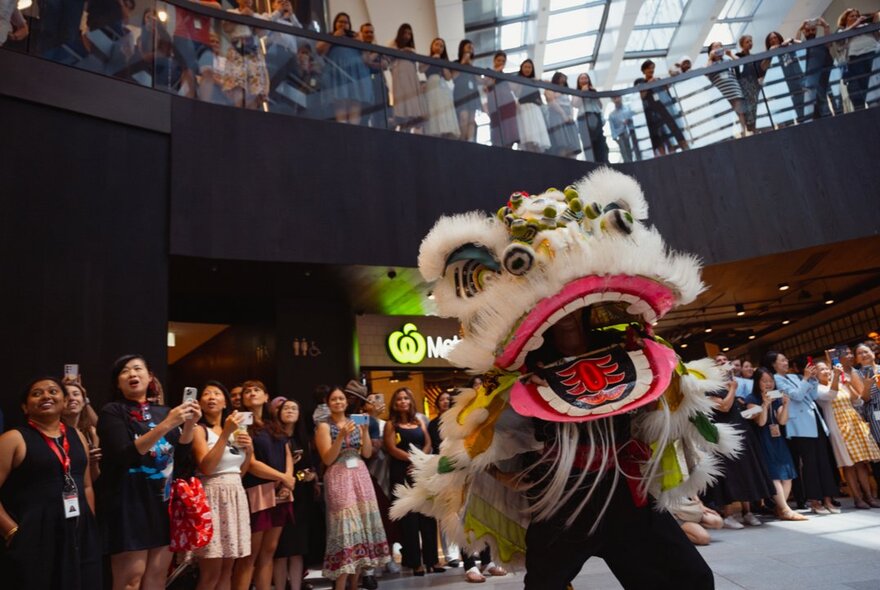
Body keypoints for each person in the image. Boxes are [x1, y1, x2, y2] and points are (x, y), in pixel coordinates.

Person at [96, 354, 201, 589]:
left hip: (162, 505)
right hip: (127, 505)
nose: (132, 374)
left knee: (156, 578)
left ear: (150, 376)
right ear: (117, 382)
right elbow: (124, 455)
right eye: (125, 371)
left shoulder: (164, 411)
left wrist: (190, 424)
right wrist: (168, 424)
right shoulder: (112, 411)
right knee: (130, 580)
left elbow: (181, 458)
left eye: (138, 369)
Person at [0, 377, 102, 588]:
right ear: (25, 407)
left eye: (53, 391)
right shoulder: (14, 438)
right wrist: (11, 531)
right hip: (35, 537)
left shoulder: (77, 436)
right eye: (37, 393)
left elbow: (86, 485)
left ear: (64, 401)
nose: (46, 396)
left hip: (79, 534)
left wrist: (88, 522)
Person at [316, 387, 390, 590]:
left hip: (360, 473)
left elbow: (366, 453)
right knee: (346, 529)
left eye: (341, 398)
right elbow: (327, 458)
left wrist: (365, 432)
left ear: (346, 402)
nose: (338, 402)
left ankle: (354, 585)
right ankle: (339, 586)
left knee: (363, 529)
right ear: (328, 403)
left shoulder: (355, 422)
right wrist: (340, 437)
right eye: (334, 399)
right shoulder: (324, 426)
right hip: (338, 475)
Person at [233, 381, 294, 590]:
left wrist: (288, 480)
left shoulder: (273, 424)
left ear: (267, 396)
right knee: (250, 554)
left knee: (270, 551)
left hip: (280, 492)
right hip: (256, 490)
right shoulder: (240, 425)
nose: (251, 394)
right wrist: (283, 477)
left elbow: (287, 453)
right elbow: (249, 463)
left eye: (256, 390)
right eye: (247, 391)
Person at [192, 381, 253, 590]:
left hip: (235, 495)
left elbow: (241, 472)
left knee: (228, 568)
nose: (211, 397)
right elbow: (207, 467)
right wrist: (225, 433)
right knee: (211, 572)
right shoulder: (199, 430)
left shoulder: (237, 431)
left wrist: (250, 450)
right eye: (206, 394)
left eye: (216, 393)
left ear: (225, 402)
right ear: (199, 402)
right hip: (212, 496)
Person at [764, 351, 838, 515]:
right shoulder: (776, 380)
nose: (785, 362)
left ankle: (827, 498)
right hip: (799, 425)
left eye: (786, 359)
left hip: (814, 420)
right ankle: (814, 500)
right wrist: (805, 379)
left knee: (823, 461)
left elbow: (811, 395)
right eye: (782, 360)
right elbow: (796, 396)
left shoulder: (794, 377)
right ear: (773, 364)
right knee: (809, 463)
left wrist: (812, 379)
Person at [702, 374, 774, 529]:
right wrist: (733, 389)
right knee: (729, 477)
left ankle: (747, 512)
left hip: (743, 435)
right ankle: (728, 515)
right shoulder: (707, 392)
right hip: (724, 439)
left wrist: (759, 408)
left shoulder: (735, 394)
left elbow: (742, 413)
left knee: (746, 474)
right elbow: (724, 406)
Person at [384, 387, 441, 576]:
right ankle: (415, 562)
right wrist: (412, 459)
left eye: (406, 398)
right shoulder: (391, 424)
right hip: (402, 470)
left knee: (428, 516)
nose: (402, 401)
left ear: (410, 401)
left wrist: (419, 461)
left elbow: (428, 443)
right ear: (394, 403)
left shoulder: (419, 420)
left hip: (421, 470)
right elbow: (391, 448)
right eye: (399, 398)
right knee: (409, 520)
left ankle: (433, 560)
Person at [815, 360, 880, 509]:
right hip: (839, 427)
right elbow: (830, 395)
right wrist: (837, 378)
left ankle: (869, 497)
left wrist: (849, 383)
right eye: (821, 370)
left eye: (827, 368)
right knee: (848, 464)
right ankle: (857, 499)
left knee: (861, 463)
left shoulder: (840, 383)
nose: (826, 371)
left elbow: (857, 401)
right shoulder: (817, 388)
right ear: (815, 374)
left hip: (853, 423)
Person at [743, 367, 807, 521]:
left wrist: (785, 405)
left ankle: (781, 508)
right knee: (775, 476)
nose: (768, 384)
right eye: (764, 381)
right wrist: (764, 404)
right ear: (757, 382)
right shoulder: (751, 399)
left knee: (788, 476)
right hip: (763, 440)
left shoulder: (777, 397)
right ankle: (786, 510)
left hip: (778, 440)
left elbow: (782, 421)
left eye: (770, 381)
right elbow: (761, 422)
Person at [271, 398, 319, 590]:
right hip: (279, 495)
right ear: (278, 413)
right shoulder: (273, 437)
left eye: (294, 408)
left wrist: (310, 476)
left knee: (298, 549)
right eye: (286, 408)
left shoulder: (304, 439)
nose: (290, 411)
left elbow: (312, 467)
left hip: (301, 497)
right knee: (281, 550)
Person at [317, 12, 373, 124]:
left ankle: (354, 132)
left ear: (349, 25)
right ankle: (343, 134)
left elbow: (366, 59)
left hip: (356, 73)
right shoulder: (330, 35)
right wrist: (334, 37)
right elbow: (319, 50)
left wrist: (361, 42)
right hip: (337, 72)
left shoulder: (355, 37)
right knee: (340, 103)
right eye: (340, 22)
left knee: (355, 103)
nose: (343, 24)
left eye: (346, 22)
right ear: (335, 24)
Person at [222, 0, 271, 110]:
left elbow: (262, 34)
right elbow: (226, 28)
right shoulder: (231, 12)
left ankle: (251, 116)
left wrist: (252, 16)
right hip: (236, 51)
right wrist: (241, 15)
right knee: (237, 85)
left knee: (255, 88)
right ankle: (238, 115)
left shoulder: (257, 16)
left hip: (253, 53)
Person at [634, 59, 688, 156]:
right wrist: (649, 84)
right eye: (649, 68)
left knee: (675, 130)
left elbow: (667, 88)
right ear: (644, 70)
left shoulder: (658, 80)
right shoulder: (642, 82)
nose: (651, 70)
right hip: (653, 115)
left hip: (665, 110)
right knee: (662, 138)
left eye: (652, 68)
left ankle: (685, 149)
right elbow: (642, 96)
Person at [837, 8, 880, 110]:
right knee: (864, 82)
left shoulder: (866, 26)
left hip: (873, 53)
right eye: (852, 16)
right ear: (845, 19)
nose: (855, 17)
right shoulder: (842, 30)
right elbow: (839, 40)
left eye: (857, 16)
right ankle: (873, 104)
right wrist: (855, 24)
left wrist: (874, 19)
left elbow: (877, 36)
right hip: (856, 58)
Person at [388, 24, 426, 133]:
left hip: (411, 76)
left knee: (412, 103)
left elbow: (416, 66)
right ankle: (403, 130)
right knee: (403, 101)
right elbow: (389, 59)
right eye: (405, 33)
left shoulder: (412, 48)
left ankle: (409, 130)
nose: (407, 36)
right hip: (400, 74)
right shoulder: (393, 44)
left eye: (409, 34)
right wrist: (403, 51)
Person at [706, 41, 749, 136]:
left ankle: (743, 133)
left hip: (734, 90)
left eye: (720, 46)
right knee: (725, 115)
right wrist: (710, 57)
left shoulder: (727, 60)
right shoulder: (710, 63)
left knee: (740, 112)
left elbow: (739, 63)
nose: (718, 48)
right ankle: (729, 135)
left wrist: (730, 54)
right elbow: (707, 72)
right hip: (721, 94)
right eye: (715, 47)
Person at [62, 380, 102, 482]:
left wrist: (93, 463)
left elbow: (94, 477)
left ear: (84, 401)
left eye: (76, 394)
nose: (71, 398)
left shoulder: (91, 433)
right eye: (66, 395)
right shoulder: (53, 433)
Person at [420, 37, 460, 138]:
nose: (439, 47)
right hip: (431, 84)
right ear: (432, 46)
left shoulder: (445, 62)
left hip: (443, 86)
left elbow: (448, 77)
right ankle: (435, 131)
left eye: (441, 46)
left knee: (444, 108)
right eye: (437, 44)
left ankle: (447, 129)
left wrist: (441, 63)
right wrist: (433, 59)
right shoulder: (426, 59)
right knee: (433, 106)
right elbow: (421, 69)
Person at [798, 17, 834, 119]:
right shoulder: (802, 45)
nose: (810, 32)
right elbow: (795, 46)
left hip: (827, 72)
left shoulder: (821, 41)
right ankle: (827, 118)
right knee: (821, 98)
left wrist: (825, 25)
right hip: (814, 76)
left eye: (813, 30)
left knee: (833, 96)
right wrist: (800, 29)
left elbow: (829, 43)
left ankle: (838, 115)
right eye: (808, 30)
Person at [765, 31, 805, 122]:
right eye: (770, 39)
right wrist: (769, 54)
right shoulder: (770, 54)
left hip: (796, 80)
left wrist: (791, 40)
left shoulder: (788, 46)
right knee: (787, 111)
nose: (773, 40)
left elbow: (802, 44)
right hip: (782, 85)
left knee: (801, 105)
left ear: (779, 37)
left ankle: (802, 120)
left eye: (775, 37)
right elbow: (763, 67)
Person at [855, 341, 880, 485]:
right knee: (878, 454)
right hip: (874, 413)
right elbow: (863, 398)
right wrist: (867, 386)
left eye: (866, 351)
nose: (864, 355)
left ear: (873, 352)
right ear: (856, 359)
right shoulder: (857, 374)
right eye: (860, 353)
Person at [484, 51, 519, 148]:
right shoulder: (489, 71)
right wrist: (496, 72)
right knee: (497, 126)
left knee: (509, 128)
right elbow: (487, 85)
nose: (501, 62)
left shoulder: (506, 75)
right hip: (495, 101)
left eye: (503, 61)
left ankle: (509, 149)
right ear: (494, 60)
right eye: (499, 60)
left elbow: (513, 88)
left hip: (507, 101)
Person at [514, 59, 550, 153]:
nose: (527, 69)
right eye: (525, 67)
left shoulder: (535, 81)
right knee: (528, 138)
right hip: (524, 109)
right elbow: (516, 94)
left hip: (535, 109)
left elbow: (547, 85)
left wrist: (538, 81)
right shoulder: (517, 80)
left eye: (529, 67)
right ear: (521, 68)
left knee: (537, 138)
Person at [544, 72, 581, 158]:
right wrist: (563, 114)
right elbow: (551, 102)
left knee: (572, 144)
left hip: (569, 119)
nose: (563, 80)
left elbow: (570, 105)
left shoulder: (566, 91)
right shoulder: (550, 89)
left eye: (564, 78)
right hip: (557, 117)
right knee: (561, 143)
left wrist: (571, 116)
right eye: (561, 78)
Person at [735, 35, 767, 133]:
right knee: (749, 108)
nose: (750, 43)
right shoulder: (738, 56)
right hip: (745, 86)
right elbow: (737, 72)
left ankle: (756, 128)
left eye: (751, 41)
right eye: (747, 42)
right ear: (742, 45)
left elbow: (760, 72)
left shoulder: (754, 57)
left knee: (756, 107)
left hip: (754, 86)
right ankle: (751, 128)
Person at [573, 73, 608, 162]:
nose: (584, 80)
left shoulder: (593, 90)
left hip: (595, 117)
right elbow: (575, 104)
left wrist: (595, 94)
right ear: (578, 81)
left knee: (599, 143)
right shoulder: (576, 92)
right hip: (583, 118)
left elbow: (600, 106)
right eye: (582, 78)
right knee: (588, 144)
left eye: (586, 78)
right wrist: (582, 92)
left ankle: (602, 163)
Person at [453, 39, 481, 142]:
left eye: (472, 47)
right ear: (462, 47)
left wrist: (471, 65)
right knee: (463, 117)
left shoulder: (473, 65)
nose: (471, 48)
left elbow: (479, 80)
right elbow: (453, 77)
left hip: (472, 93)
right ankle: (463, 140)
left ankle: (470, 141)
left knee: (471, 120)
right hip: (461, 93)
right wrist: (463, 62)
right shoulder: (456, 62)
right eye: (469, 46)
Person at [607, 95, 638, 162]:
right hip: (621, 136)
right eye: (614, 98)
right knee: (626, 156)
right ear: (612, 100)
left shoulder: (628, 108)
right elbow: (613, 130)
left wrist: (629, 120)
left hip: (632, 133)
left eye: (618, 97)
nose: (616, 99)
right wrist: (617, 140)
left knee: (636, 151)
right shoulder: (612, 115)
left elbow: (635, 118)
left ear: (621, 97)